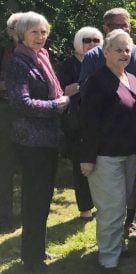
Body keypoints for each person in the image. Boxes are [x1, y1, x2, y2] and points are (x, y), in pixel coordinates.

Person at [79, 7, 136, 239]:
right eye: (118, 25)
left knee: (132, 182)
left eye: (127, 25)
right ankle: (111, 241)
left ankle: (127, 225)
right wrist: (89, 153)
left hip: (133, 137)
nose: (124, 29)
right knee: (111, 195)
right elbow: (87, 101)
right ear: (107, 30)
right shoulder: (93, 57)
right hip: (107, 141)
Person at [6, 11, 70, 271]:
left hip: (48, 140)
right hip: (31, 142)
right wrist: (57, 104)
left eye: (43, 32)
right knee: (34, 201)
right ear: (22, 34)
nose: (40, 37)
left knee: (43, 199)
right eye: (34, 32)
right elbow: (21, 103)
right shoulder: (18, 62)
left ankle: (38, 252)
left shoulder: (41, 56)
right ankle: (31, 259)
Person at [55, 26, 103, 222]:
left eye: (95, 40)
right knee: (81, 166)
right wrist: (81, 85)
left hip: (101, 122)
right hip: (77, 123)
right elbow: (61, 91)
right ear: (78, 42)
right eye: (87, 40)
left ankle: (101, 205)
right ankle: (85, 209)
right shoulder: (68, 65)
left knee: (102, 165)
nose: (91, 44)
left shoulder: (103, 62)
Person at [0, 12, 23, 234]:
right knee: (4, 170)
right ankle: (5, 219)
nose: (19, 30)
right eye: (14, 26)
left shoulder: (41, 52)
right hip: (6, 117)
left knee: (30, 170)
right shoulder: (3, 52)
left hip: (30, 119)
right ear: (9, 31)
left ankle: (28, 217)